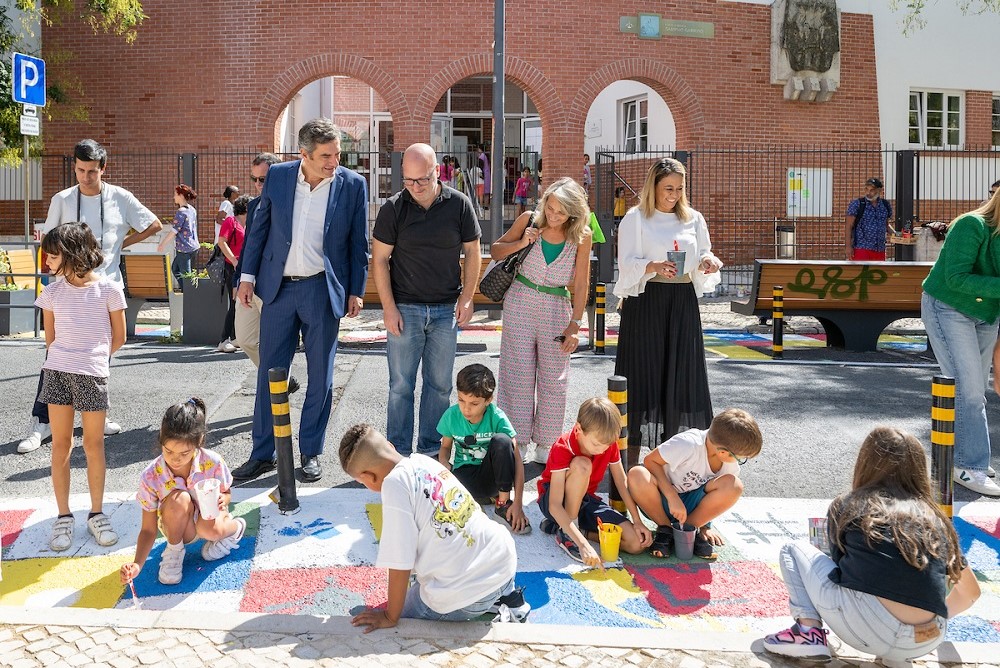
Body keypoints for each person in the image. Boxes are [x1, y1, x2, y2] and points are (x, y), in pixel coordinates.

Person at [762, 427, 981, 664]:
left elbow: (841, 572)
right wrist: (922, 623)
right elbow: (971, 593)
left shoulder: (850, 504)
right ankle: (897, 657)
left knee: (792, 550)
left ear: (866, 463)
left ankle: (809, 632)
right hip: (926, 638)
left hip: (866, 628)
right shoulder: (934, 519)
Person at [234, 118, 369, 483]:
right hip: (277, 290)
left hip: (321, 289)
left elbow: (359, 242)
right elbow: (259, 228)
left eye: (337, 154)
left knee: (321, 375)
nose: (334, 162)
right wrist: (246, 277)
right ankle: (263, 453)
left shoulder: (353, 185)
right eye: (326, 155)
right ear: (304, 154)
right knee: (270, 373)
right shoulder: (278, 177)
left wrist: (356, 290)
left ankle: (310, 452)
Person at [18, 139, 161, 454]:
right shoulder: (62, 199)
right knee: (56, 354)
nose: (86, 176)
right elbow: (49, 242)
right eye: (81, 170)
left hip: (105, 286)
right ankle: (41, 421)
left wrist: (121, 243)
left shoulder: (120, 198)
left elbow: (154, 224)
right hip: (67, 289)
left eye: (92, 171)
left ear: (103, 169)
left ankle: (96, 413)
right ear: (74, 167)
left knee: (100, 357)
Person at [341, 424, 529, 630]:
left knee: (406, 612)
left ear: (368, 477)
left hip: (469, 592)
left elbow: (400, 561)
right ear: (390, 446)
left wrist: (390, 616)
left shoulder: (394, 485)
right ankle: (509, 599)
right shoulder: (423, 461)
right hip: (503, 563)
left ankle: (484, 603)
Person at [372, 143, 481, 455]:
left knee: (440, 386)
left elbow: (473, 251)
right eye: (408, 180)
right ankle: (398, 452)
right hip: (404, 308)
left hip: (446, 310)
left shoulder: (458, 204)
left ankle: (431, 450)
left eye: (422, 179)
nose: (415, 187)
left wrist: (468, 297)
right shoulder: (394, 208)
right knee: (400, 385)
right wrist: (388, 308)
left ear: (437, 172)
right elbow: (379, 260)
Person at [613, 157, 722, 449]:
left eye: (679, 189)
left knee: (682, 371)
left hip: (682, 301)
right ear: (654, 187)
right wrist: (653, 266)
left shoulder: (693, 218)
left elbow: (704, 251)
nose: (674, 195)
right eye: (668, 189)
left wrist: (707, 261)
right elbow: (625, 264)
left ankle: (681, 448)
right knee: (643, 372)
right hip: (646, 302)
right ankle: (631, 450)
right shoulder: (636, 218)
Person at [35, 223, 127, 552]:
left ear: (72, 254)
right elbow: (51, 341)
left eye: (52, 254)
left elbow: (119, 337)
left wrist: (93, 359)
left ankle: (96, 513)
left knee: (93, 444)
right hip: (57, 372)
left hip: (92, 374)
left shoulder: (109, 290)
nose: (46, 260)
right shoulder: (51, 293)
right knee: (60, 445)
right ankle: (63, 516)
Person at [492, 177, 593, 465]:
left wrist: (575, 324)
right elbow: (497, 250)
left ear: (573, 212)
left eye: (561, 211)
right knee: (517, 374)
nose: (553, 215)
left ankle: (547, 443)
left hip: (556, 306)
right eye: (550, 207)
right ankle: (518, 440)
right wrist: (523, 241)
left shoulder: (581, 236)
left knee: (554, 377)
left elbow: (582, 283)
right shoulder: (529, 220)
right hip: (520, 300)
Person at [922, 189, 1000, 496]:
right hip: (949, 307)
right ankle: (969, 465)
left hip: (986, 314)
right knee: (967, 390)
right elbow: (955, 278)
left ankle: (968, 454)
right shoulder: (971, 225)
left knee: (975, 389)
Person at [120, 398, 246, 586]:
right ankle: (174, 550)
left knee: (209, 531)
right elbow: (148, 529)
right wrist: (138, 564)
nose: (175, 460)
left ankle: (235, 528)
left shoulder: (213, 461)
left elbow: (226, 492)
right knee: (179, 498)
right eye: (168, 451)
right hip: (180, 526)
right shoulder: (151, 475)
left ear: (199, 441)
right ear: (161, 439)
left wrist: (224, 499)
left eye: (184, 453)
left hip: (210, 520)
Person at [627, 408, 763, 560]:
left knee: (734, 485)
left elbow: (716, 497)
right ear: (723, 452)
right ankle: (665, 529)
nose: (739, 462)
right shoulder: (688, 443)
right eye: (741, 458)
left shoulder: (729, 465)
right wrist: (672, 497)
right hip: (660, 501)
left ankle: (689, 530)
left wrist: (705, 526)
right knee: (637, 474)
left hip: (691, 509)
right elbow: (650, 461)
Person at [536, 398, 652, 568]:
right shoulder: (563, 446)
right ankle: (568, 532)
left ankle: (573, 530)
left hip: (585, 499)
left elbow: (622, 482)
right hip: (554, 500)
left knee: (636, 543)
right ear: (578, 429)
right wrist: (583, 545)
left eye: (607, 445)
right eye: (597, 444)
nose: (602, 450)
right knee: (582, 465)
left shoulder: (606, 443)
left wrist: (637, 520)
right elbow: (554, 505)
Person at [436, 363, 530, 535]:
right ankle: (474, 500)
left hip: (492, 478)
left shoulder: (497, 417)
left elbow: (517, 460)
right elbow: (445, 447)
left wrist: (518, 503)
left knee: (502, 441)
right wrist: (444, 461)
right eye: (461, 400)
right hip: (464, 477)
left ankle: (502, 504)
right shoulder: (451, 415)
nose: (466, 408)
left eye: (474, 403)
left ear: (488, 400)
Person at [233, 152, 296, 396]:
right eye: (255, 179)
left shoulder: (290, 205)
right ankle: (282, 378)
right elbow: (248, 246)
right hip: (251, 284)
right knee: (245, 338)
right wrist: (240, 279)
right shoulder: (253, 206)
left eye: (263, 179)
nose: (259, 184)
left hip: (276, 286)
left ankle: (277, 385)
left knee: (274, 344)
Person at [216, 195, 248, 354]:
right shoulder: (231, 221)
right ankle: (224, 340)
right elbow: (221, 242)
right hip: (232, 267)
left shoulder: (248, 224)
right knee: (235, 302)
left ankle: (236, 338)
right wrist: (234, 261)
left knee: (243, 303)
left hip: (245, 268)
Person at [157, 184, 199, 290]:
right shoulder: (192, 210)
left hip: (184, 248)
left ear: (181, 195)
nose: (174, 197)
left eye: (175, 194)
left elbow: (174, 231)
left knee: (186, 276)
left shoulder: (181, 212)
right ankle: (187, 291)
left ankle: (189, 294)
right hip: (193, 245)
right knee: (175, 269)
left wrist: (162, 244)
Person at [846, 177, 893, 261]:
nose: (868, 193)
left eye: (872, 190)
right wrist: (848, 246)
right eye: (866, 189)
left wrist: (897, 235)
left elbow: (886, 225)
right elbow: (848, 226)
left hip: (880, 249)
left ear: (879, 191)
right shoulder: (857, 204)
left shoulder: (885, 205)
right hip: (862, 248)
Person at [477, 145, 491, 210]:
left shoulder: (481, 156)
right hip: (487, 174)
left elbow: (480, 165)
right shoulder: (486, 156)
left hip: (483, 175)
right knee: (487, 192)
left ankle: (481, 205)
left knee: (481, 191)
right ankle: (486, 205)